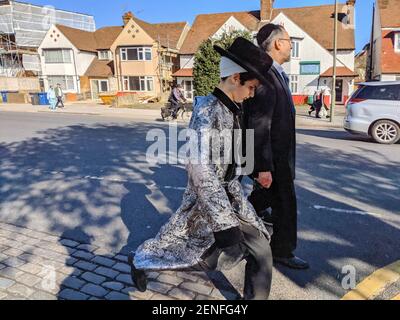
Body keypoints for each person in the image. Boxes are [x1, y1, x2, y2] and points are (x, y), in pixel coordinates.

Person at [129, 37, 274, 300]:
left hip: (232, 197)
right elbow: (200, 168)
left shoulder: (233, 109)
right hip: (207, 202)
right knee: (181, 252)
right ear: (235, 78)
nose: (252, 94)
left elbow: (231, 155)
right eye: (251, 87)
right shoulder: (206, 111)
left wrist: (250, 170)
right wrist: (223, 222)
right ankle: (140, 261)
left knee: (261, 250)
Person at [243, 24, 309, 270]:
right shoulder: (266, 74)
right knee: (285, 204)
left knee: (261, 203)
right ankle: (282, 250)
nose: (291, 44)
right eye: (289, 40)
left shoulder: (275, 72)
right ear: (278, 43)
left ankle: (235, 229)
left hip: (279, 156)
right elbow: (258, 123)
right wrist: (262, 167)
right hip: (273, 159)